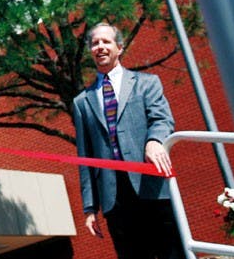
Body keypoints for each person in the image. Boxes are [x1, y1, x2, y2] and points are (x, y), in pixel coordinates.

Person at [73, 22, 185, 259]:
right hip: (115, 199)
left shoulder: (147, 83)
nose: (100, 47)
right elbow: (86, 159)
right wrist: (90, 207)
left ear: (120, 47)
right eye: (95, 43)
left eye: (106, 41)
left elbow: (162, 120)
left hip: (152, 187)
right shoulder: (82, 102)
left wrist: (154, 141)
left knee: (172, 253)